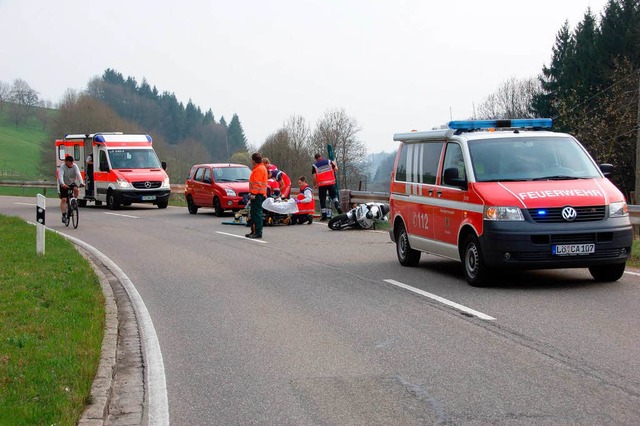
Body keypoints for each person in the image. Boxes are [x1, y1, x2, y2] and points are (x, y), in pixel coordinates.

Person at [311, 153, 341, 221]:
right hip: (331, 182)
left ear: (315, 159)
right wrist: (335, 165)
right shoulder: (329, 161)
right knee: (333, 195)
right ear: (321, 157)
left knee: (322, 200)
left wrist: (315, 185)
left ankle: (324, 215)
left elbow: (314, 177)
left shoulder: (315, 165)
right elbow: (336, 169)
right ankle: (337, 205)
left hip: (322, 184)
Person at [246, 152, 268, 239]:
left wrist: (253, 194)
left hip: (257, 194)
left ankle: (258, 232)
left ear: (254, 160)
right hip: (259, 194)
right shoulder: (260, 168)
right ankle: (254, 231)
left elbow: (257, 184)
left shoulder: (259, 169)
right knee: (254, 213)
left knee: (256, 213)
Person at [58, 155, 85, 223]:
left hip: (72, 182)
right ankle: (64, 215)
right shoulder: (62, 167)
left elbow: (78, 174)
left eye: (72, 162)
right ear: (66, 162)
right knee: (64, 199)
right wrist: (62, 184)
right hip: (64, 183)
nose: (71, 164)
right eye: (70, 162)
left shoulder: (75, 166)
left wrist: (81, 182)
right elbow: (60, 175)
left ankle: (74, 200)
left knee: (76, 189)